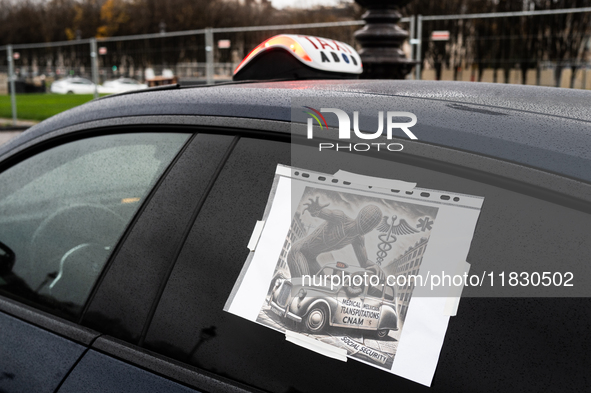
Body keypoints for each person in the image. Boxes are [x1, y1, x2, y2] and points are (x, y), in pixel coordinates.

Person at [287, 196, 383, 279]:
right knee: (302, 286)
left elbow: (364, 262)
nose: (367, 226)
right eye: (367, 221)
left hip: (311, 259)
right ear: (360, 216)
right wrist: (315, 209)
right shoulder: (340, 218)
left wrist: (375, 266)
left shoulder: (358, 239)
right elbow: (320, 212)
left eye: (371, 225)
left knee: (321, 287)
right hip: (299, 252)